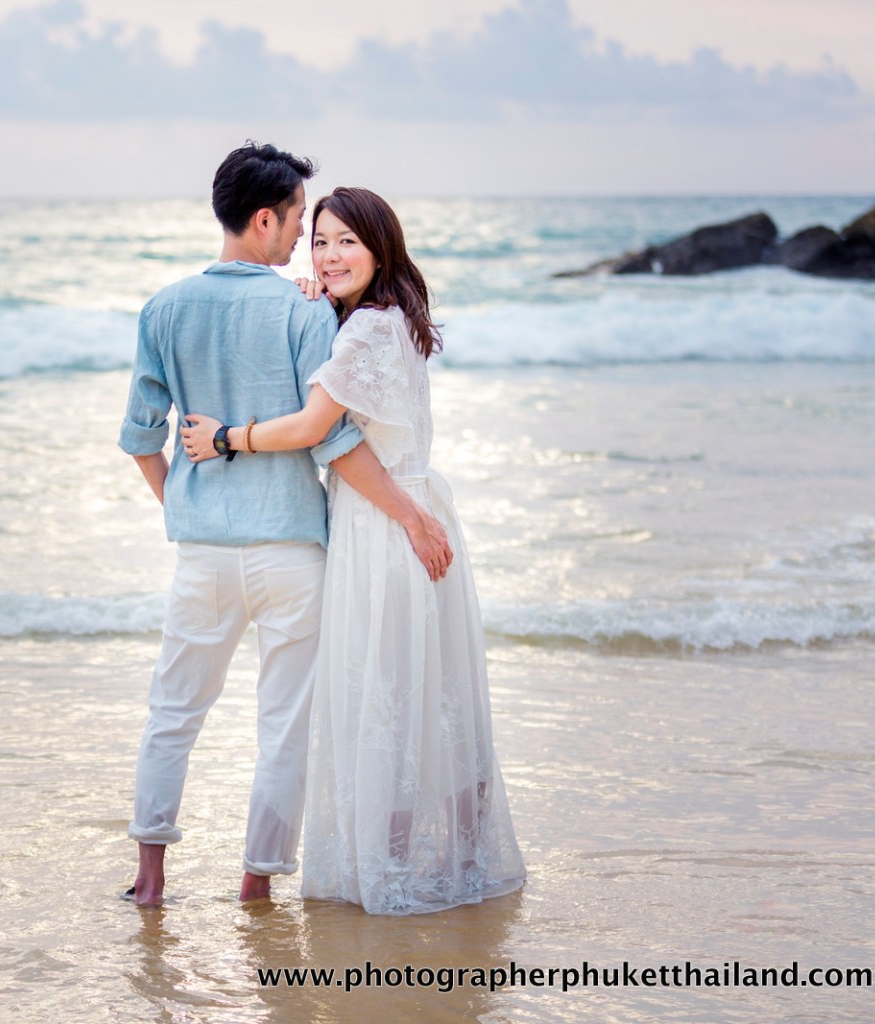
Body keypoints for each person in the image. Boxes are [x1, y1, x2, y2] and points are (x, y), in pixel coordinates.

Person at [119, 147, 452, 907]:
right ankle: (255, 884)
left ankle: (148, 878)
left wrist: (186, 506)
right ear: (265, 217)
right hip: (293, 554)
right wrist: (410, 515)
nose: (307, 237)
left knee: (172, 713)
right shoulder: (302, 311)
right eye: (301, 219)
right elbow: (332, 437)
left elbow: (142, 438)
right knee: (284, 726)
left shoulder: (164, 309)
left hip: (203, 551)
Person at [180, 187, 525, 915]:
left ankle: (394, 866)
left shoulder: (367, 331)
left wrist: (224, 439)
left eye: (347, 243)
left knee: (387, 694)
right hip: (409, 511)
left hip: (385, 525)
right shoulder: (385, 318)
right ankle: (459, 857)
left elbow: (315, 428)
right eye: (322, 241)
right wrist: (316, 305)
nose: (330, 255)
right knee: (431, 691)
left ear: (381, 248)